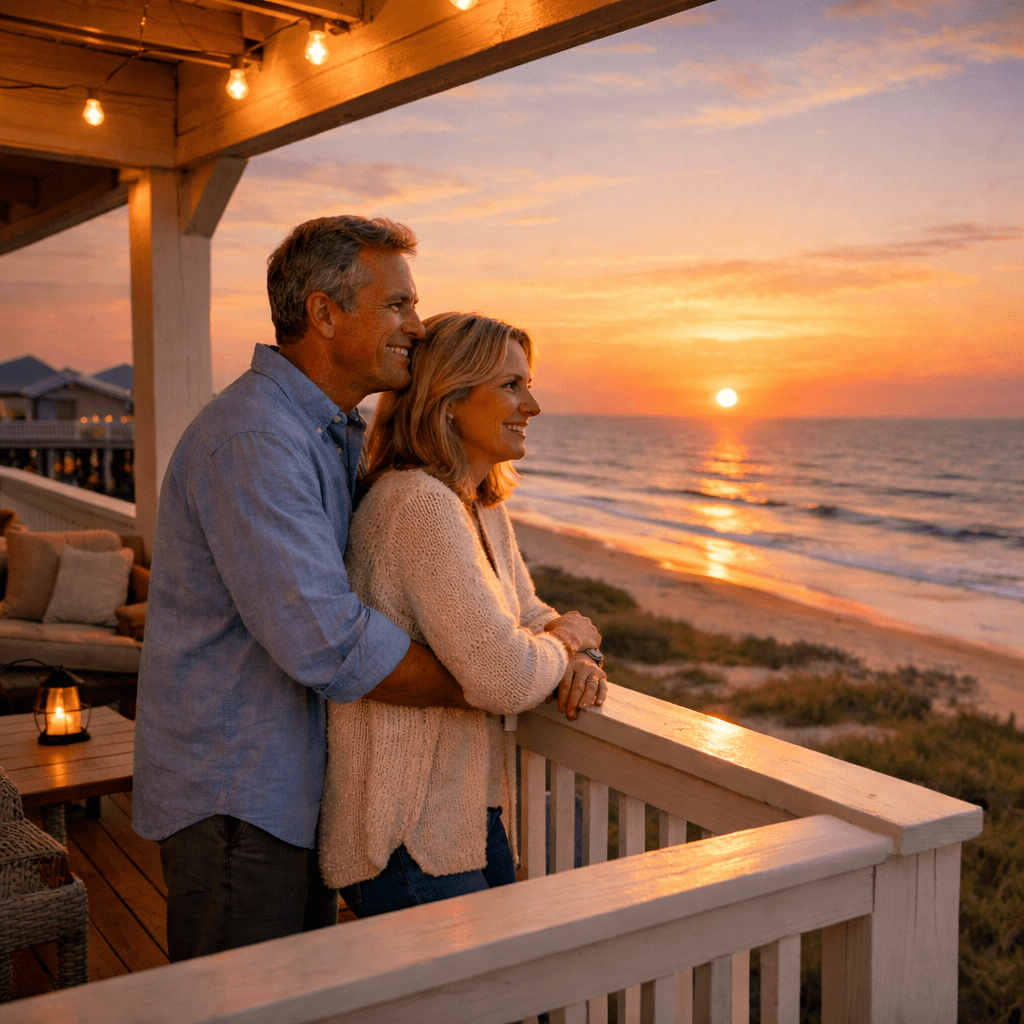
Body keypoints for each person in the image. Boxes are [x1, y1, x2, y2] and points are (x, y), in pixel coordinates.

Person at [133, 217, 509, 962]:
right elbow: (328, 641)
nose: (418, 323)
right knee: (239, 1009)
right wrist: (485, 679)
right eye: (397, 303)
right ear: (324, 313)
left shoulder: (325, 430)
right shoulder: (257, 440)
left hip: (289, 791)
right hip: (239, 796)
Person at [318, 311, 607, 915]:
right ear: (448, 398)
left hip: (464, 813)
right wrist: (566, 642)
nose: (532, 405)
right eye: (511, 386)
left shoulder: (475, 502)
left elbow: (527, 615)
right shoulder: (417, 504)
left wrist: (578, 653)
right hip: (401, 832)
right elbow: (503, 675)